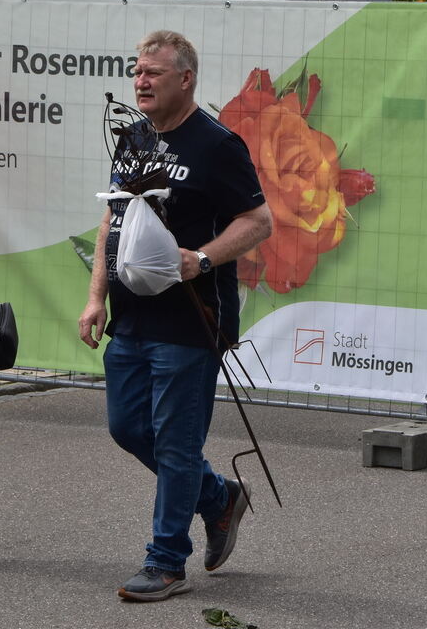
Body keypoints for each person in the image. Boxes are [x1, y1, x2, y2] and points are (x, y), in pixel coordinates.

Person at [78, 30, 273, 601]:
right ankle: (218, 499)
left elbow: (258, 221)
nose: (140, 82)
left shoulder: (217, 144)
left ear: (184, 79)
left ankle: (166, 561)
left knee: (176, 443)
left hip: (193, 318)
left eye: (153, 73)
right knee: (127, 427)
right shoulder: (133, 137)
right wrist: (95, 296)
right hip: (131, 314)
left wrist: (203, 258)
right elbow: (112, 221)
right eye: (137, 72)